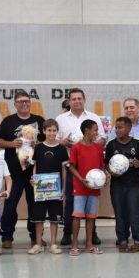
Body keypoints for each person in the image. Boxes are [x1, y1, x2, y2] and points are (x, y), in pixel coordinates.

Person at [55, 88, 106, 246]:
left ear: (84, 100)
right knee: (70, 200)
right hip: (70, 166)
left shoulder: (94, 117)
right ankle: (67, 233)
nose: (77, 101)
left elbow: (103, 138)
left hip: (91, 169)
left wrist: (88, 146)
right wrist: (63, 142)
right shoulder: (61, 118)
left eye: (79, 98)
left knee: (91, 201)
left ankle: (93, 234)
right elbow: (54, 140)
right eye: (74, 99)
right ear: (69, 101)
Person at [0, 90, 44, 248]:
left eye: (27, 101)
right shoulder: (8, 121)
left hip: (34, 172)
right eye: (21, 101)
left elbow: (47, 140)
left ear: (30, 103)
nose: (24, 104)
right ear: (15, 104)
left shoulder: (39, 120)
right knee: (10, 205)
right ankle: (7, 236)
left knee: (35, 205)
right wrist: (12, 144)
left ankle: (35, 236)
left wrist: (38, 144)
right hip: (14, 173)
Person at [110, 98, 139, 246]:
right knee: (125, 206)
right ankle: (123, 236)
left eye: (132, 107)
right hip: (123, 177)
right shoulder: (115, 130)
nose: (129, 110)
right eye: (127, 108)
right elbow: (111, 152)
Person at [105, 116, 139, 253]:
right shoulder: (111, 145)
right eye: (116, 127)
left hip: (133, 184)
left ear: (129, 128)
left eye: (120, 127)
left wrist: (138, 163)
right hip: (117, 185)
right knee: (119, 213)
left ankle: (137, 241)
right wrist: (111, 171)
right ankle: (122, 240)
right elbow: (106, 164)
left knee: (134, 212)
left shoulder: (136, 144)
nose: (117, 130)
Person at [29, 119, 69, 255]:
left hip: (55, 189)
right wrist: (33, 179)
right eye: (49, 130)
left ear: (57, 131)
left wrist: (63, 189)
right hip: (40, 189)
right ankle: (38, 244)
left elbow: (64, 170)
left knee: (54, 218)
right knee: (38, 218)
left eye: (54, 130)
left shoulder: (62, 149)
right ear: (44, 131)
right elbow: (34, 166)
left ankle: (53, 243)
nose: (52, 133)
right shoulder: (39, 148)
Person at [68, 119, 105, 256]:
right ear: (86, 131)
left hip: (94, 189)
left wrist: (105, 177)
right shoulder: (76, 147)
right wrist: (81, 179)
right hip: (80, 187)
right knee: (77, 216)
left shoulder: (98, 148)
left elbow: (101, 167)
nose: (97, 132)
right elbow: (71, 166)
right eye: (95, 130)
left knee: (91, 217)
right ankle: (75, 245)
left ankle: (89, 244)